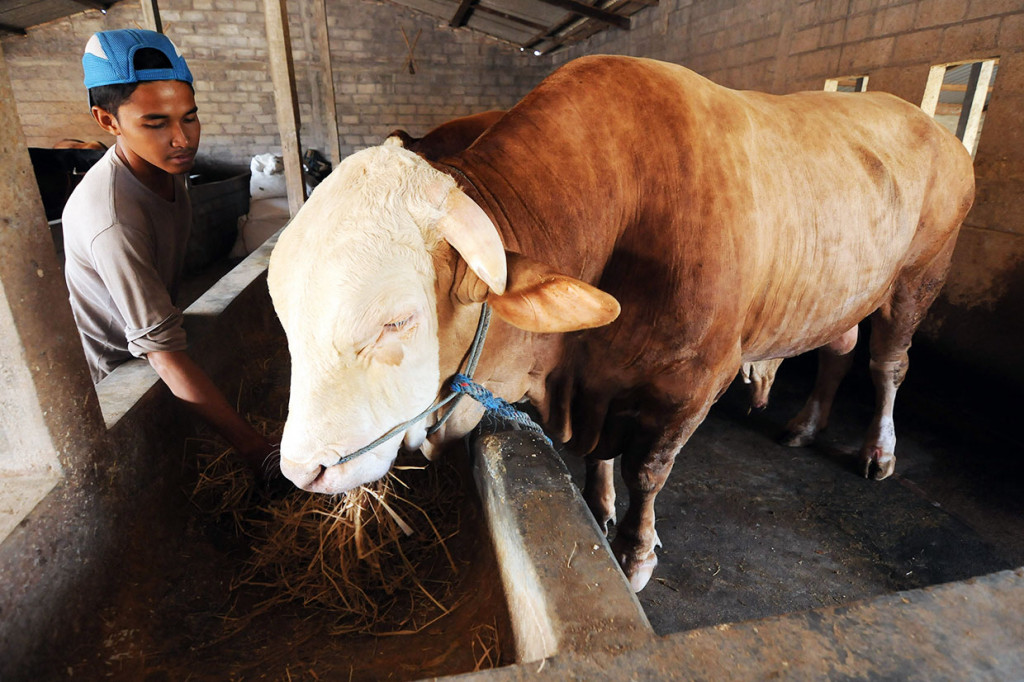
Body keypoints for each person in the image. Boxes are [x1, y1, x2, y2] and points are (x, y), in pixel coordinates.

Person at [62, 29, 276, 482]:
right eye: (156, 123)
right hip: (124, 366)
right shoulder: (112, 216)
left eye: (190, 117)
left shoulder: (165, 169)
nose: (182, 139)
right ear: (108, 121)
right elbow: (161, 356)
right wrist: (257, 450)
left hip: (158, 343)